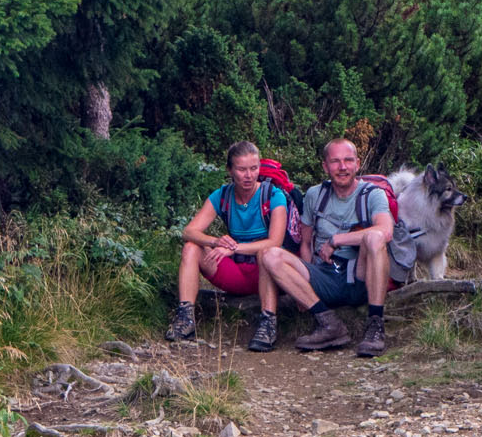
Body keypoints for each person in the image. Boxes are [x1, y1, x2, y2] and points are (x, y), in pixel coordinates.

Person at [262, 138, 395, 357]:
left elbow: (385, 231)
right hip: (324, 273)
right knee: (270, 255)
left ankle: (375, 323)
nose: (342, 167)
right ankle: (328, 323)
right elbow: (305, 243)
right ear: (325, 166)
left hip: (360, 275)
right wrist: (301, 289)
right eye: (335, 161)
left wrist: (337, 240)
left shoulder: (372, 194)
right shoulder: (315, 195)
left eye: (348, 160)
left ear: (358, 164)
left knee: (375, 238)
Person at [165, 141, 290, 351]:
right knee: (191, 247)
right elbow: (189, 231)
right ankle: (185, 317)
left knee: (267, 252)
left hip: (268, 271)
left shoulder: (274, 196)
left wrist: (233, 248)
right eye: (241, 169)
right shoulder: (223, 195)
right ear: (230, 170)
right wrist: (214, 242)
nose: (248, 175)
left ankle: (268, 322)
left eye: (253, 168)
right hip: (237, 273)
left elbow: (275, 242)